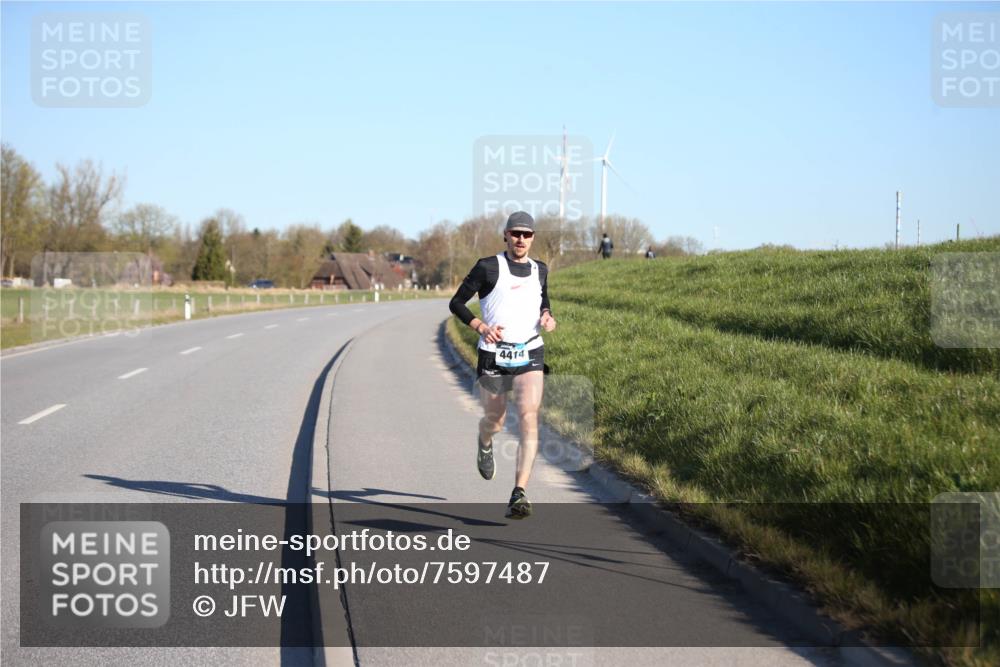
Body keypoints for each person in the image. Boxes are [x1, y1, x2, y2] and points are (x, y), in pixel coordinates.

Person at [449, 211, 557, 519]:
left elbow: (542, 301)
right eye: (515, 233)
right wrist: (481, 327)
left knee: (528, 415)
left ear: (533, 238)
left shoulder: (541, 270)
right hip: (493, 354)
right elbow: (456, 303)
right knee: (496, 419)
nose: (521, 239)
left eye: (527, 234)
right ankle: (485, 440)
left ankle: (519, 492)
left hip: (530, 351)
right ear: (506, 235)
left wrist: (546, 316)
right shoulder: (488, 267)